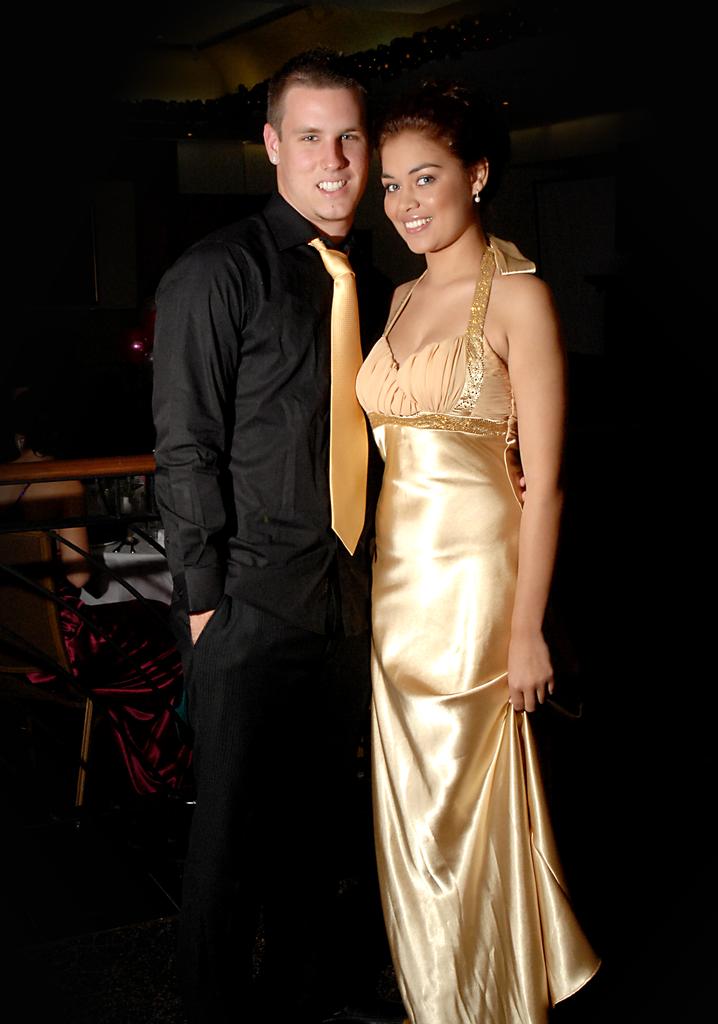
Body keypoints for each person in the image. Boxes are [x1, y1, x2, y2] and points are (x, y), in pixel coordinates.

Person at [151, 49, 396, 1024]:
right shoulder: (217, 272)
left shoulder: (376, 282)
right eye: (309, 137)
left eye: (348, 136)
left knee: (319, 839)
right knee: (229, 852)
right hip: (248, 608)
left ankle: (299, 999)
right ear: (270, 146)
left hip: (350, 604)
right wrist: (204, 607)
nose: (332, 158)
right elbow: (185, 447)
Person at [354, 81, 602, 1024]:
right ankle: (437, 1004)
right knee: (410, 830)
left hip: (476, 609)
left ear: (478, 174)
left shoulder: (522, 299)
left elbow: (547, 482)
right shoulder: (401, 294)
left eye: (427, 177)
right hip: (394, 604)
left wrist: (528, 631)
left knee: (462, 832)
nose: (407, 201)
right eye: (390, 185)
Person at [0, 386, 191, 798]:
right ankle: (163, 777)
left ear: (20, 436)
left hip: (11, 643)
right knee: (164, 634)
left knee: (148, 621)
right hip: (60, 648)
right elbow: (81, 578)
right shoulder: (61, 480)